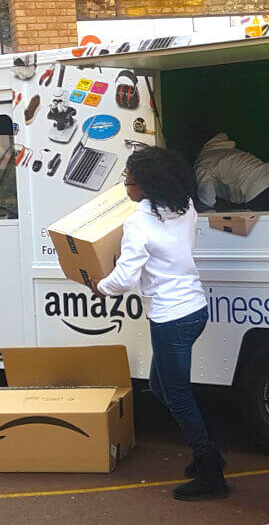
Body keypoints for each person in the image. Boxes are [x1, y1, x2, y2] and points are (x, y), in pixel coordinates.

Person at [94, 146, 228, 501]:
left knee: (178, 396)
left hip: (170, 318)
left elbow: (124, 277)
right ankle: (207, 451)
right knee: (158, 385)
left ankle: (211, 471)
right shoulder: (184, 206)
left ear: (146, 184)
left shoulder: (138, 222)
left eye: (129, 180)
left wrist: (99, 285)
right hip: (194, 309)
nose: (125, 185)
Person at [193, 132, 269, 211]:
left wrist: (197, 208)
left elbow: (207, 200)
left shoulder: (204, 161)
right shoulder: (229, 152)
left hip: (258, 194)